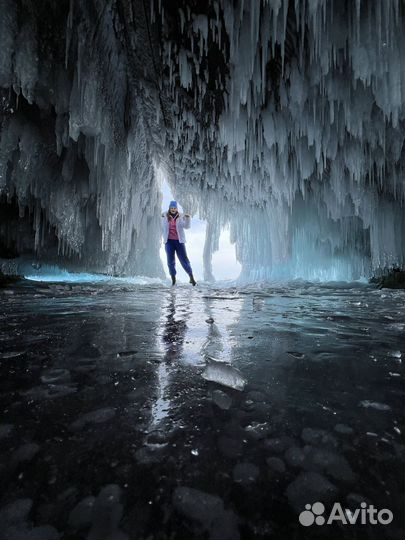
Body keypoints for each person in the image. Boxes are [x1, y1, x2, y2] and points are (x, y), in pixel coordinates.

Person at [162, 200, 197, 286]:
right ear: (169, 208)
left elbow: (187, 226)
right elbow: (161, 226)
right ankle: (173, 280)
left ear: (177, 209)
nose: (173, 209)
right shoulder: (164, 216)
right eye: (172, 208)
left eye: (174, 208)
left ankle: (191, 277)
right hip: (169, 241)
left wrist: (188, 218)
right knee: (170, 261)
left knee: (184, 260)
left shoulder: (181, 216)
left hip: (179, 242)